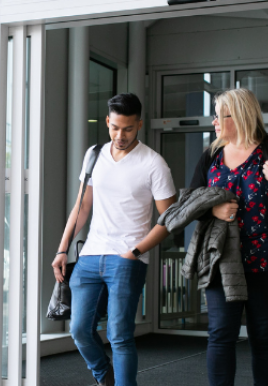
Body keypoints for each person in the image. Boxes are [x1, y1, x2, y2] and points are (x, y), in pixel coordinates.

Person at [189, 88, 268, 386]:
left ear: (241, 115)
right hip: (222, 261)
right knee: (221, 333)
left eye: (220, 115)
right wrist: (213, 210)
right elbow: (191, 202)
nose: (215, 123)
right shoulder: (212, 155)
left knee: (262, 334)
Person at [51, 93, 177, 386]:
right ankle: (105, 377)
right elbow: (82, 206)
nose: (120, 135)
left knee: (119, 335)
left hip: (126, 259)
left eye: (128, 129)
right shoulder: (94, 154)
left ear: (139, 125)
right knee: (80, 330)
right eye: (115, 127)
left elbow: (169, 218)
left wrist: (136, 251)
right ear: (108, 121)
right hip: (90, 256)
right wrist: (62, 250)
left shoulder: (154, 164)